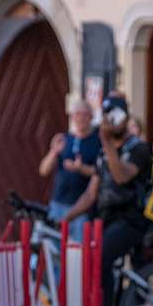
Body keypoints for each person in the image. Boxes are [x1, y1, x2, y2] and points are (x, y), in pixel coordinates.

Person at [62, 94, 153, 306]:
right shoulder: (105, 152)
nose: (111, 124)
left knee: (99, 258)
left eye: (116, 117)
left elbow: (123, 175)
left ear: (126, 118)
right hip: (106, 219)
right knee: (98, 269)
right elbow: (92, 192)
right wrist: (65, 218)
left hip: (132, 219)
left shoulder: (138, 148)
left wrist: (106, 144)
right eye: (107, 118)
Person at [38, 98, 100, 240]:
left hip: (82, 209)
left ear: (90, 116)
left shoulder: (97, 141)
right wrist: (53, 152)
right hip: (58, 203)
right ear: (72, 117)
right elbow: (43, 170)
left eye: (84, 114)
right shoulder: (64, 139)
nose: (80, 118)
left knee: (79, 252)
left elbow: (100, 172)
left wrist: (81, 168)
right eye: (76, 114)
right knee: (54, 249)